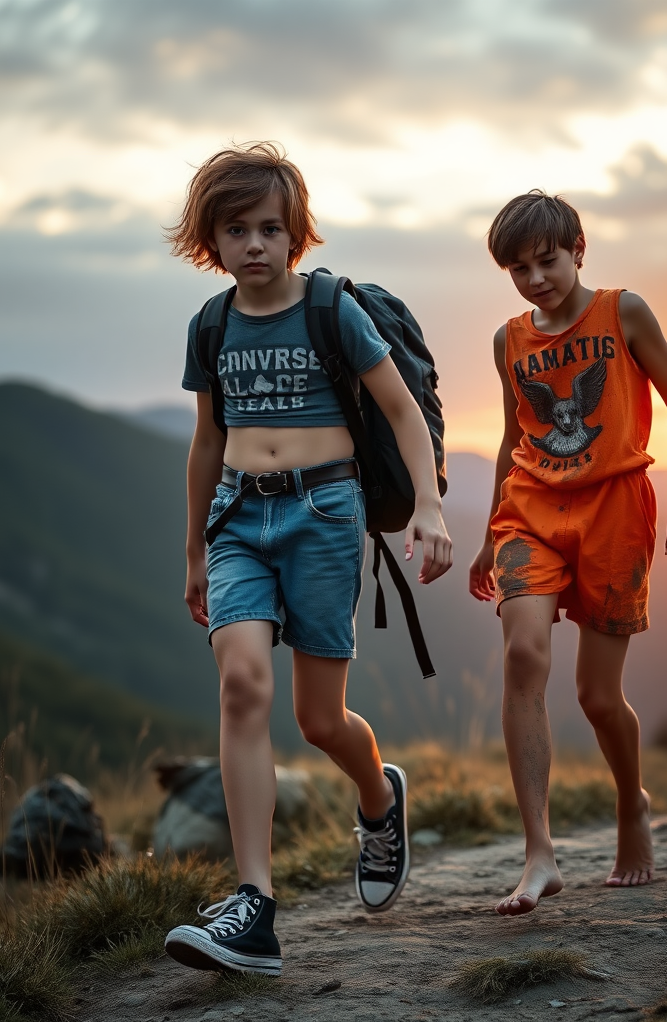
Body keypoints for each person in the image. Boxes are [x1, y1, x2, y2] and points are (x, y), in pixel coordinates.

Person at [162, 142, 452, 973]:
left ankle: (378, 794)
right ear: (209, 241)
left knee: (319, 721)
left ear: (296, 236)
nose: (254, 245)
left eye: (269, 229)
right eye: (235, 230)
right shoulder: (210, 325)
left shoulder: (333, 311)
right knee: (243, 683)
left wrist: (428, 509)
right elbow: (206, 441)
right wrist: (192, 551)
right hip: (238, 522)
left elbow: (399, 410)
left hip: (326, 513)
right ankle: (254, 905)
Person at [468, 190, 667, 915]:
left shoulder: (623, 311)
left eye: (547, 261)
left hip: (613, 513)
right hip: (530, 512)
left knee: (598, 697)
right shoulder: (510, 340)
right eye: (519, 268)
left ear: (578, 248)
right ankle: (539, 853)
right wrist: (487, 536)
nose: (536, 279)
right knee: (523, 656)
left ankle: (630, 803)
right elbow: (513, 439)